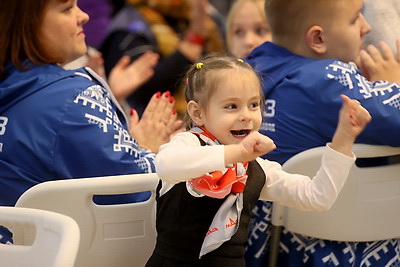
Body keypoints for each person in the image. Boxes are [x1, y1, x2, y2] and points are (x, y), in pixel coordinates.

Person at [145, 54, 371, 266]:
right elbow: (166, 165)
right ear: (197, 113)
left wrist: (343, 140)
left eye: (253, 104)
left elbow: (316, 197)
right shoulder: (189, 144)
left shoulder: (256, 168)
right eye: (231, 106)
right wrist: (237, 154)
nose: (246, 115)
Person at [0, 0, 181, 244]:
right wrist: (146, 148)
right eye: (67, 8)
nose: (83, 16)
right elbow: (138, 195)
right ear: (25, 23)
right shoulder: (75, 98)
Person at [244, 0, 400, 266]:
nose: (367, 27)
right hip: (340, 251)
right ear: (317, 38)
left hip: (271, 249)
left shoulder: (246, 72)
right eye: (355, 19)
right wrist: (392, 84)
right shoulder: (327, 79)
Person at [100, 0, 226, 116]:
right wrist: (194, 40)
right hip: (150, 125)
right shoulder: (128, 26)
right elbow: (148, 87)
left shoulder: (197, 15)